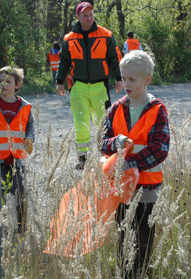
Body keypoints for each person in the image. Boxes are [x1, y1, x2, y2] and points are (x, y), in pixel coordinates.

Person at [100, 50, 170, 279]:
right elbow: (103, 141)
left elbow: (159, 149)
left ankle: (141, 277)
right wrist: (115, 142)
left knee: (143, 233)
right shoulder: (116, 109)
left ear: (147, 80)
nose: (126, 84)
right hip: (122, 186)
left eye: (132, 80)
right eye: (123, 78)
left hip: (148, 186)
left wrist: (133, 164)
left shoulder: (157, 110)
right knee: (123, 232)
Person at [56, 2, 123, 170]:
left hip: (100, 86)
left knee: (105, 123)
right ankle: (83, 159)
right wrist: (59, 81)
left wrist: (119, 78)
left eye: (91, 14)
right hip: (78, 87)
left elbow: (115, 58)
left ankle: (107, 156)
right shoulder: (68, 39)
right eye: (85, 15)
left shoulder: (106, 35)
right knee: (81, 123)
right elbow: (63, 62)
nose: (89, 18)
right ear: (78, 17)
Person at [0, 66, 35, 233]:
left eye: (8, 81)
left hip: (17, 160)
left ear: (17, 85)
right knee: (0, 197)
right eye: (0, 81)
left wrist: (30, 139)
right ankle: (0, 230)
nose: (3, 84)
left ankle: (21, 230)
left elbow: (30, 127)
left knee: (21, 196)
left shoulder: (25, 106)